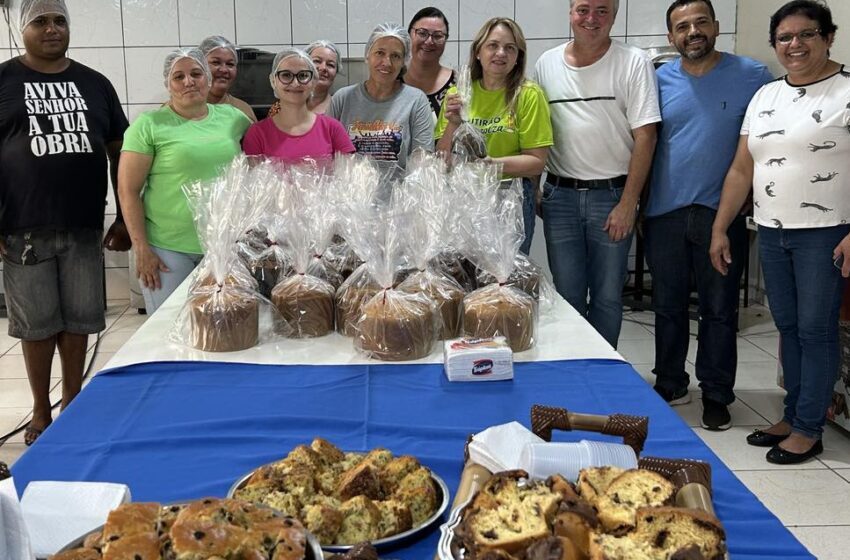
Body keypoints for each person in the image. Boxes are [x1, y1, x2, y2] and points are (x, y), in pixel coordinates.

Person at [710, 0, 850, 464]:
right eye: (785, 38)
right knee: (788, 328)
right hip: (771, 229)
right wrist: (721, 227)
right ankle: (793, 415)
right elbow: (740, 169)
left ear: (828, 36)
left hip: (826, 232)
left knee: (816, 329)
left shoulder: (845, 91)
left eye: (806, 34)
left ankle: (810, 428)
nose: (795, 44)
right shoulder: (767, 96)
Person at [0, 0, 129, 445]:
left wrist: (125, 218)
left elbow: (120, 153)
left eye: (59, 21)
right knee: (36, 326)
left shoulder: (96, 84)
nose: (52, 29)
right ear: (22, 30)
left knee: (79, 322)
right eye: (40, 21)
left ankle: (72, 402)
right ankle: (40, 411)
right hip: (21, 229)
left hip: (83, 225)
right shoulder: (3, 81)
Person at [644, 0, 773, 430]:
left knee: (718, 309)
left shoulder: (752, 77)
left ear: (716, 26)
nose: (693, 31)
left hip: (723, 214)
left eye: (701, 22)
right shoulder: (658, 80)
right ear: (671, 37)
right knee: (667, 305)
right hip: (666, 211)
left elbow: (765, 141)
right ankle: (670, 380)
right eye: (682, 26)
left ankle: (716, 392)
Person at [533, 0, 660, 348]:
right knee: (568, 295)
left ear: (615, 16)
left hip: (612, 197)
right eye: (583, 9)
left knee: (606, 297)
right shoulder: (546, 64)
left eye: (602, 10)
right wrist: (537, 188)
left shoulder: (634, 62)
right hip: (560, 197)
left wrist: (629, 203)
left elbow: (646, 135)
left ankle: (604, 377)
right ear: (571, 13)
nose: (592, 19)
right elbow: (535, 131)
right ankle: (575, 371)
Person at [118, 48, 252, 314]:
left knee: (222, 327)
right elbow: (128, 191)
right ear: (168, 85)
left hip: (223, 247)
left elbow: (259, 161)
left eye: (196, 74)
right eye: (179, 77)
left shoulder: (234, 119)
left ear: (208, 80)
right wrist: (141, 248)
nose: (189, 81)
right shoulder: (149, 125)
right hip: (167, 250)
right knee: (168, 330)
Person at [436, 17, 552, 256]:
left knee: (505, 277)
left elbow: (536, 162)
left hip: (512, 198)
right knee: (467, 274)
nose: (501, 53)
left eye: (510, 48)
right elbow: (442, 159)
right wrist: (453, 124)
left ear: (518, 56)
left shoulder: (528, 95)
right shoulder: (459, 94)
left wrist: (490, 165)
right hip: (465, 197)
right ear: (478, 51)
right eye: (493, 45)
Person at [328, 23, 433, 177]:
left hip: (399, 198)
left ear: (403, 62)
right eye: (380, 53)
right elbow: (327, 154)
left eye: (395, 56)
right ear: (367, 55)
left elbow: (422, 161)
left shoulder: (416, 101)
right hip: (349, 197)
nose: (387, 62)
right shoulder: (342, 99)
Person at [242, 47, 355, 163]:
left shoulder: (333, 129)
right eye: (286, 75)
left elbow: (350, 176)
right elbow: (252, 178)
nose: (295, 83)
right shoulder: (257, 134)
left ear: (313, 81)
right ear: (273, 81)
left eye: (303, 76)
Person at [403, 7, 456, 116]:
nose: (429, 41)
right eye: (422, 33)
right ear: (409, 35)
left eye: (438, 36)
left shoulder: (458, 84)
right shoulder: (393, 81)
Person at [268, 40, 341, 118]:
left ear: (336, 71)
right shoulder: (279, 108)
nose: (323, 68)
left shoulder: (340, 107)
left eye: (330, 65)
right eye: (317, 61)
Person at [200, 35, 256, 122]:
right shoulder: (184, 109)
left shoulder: (243, 111)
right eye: (216, 62)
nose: (224, 70)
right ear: (200, 65)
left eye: (230, 64)